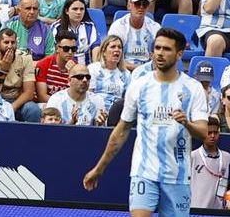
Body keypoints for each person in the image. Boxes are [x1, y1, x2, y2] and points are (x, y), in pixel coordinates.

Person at [83, 27, 211, 217]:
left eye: (166, 49)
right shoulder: (139, 85)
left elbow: (203, 132)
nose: (160, 53)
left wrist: (187, 123)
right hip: (144, 172)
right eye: (157, 48)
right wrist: (99, 168)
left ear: (179, 54)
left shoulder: (193, 88)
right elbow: (121, 130)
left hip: (177, 176)